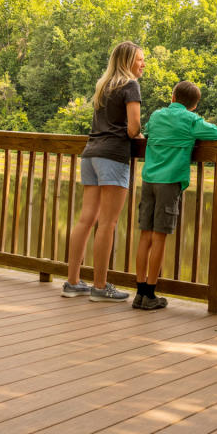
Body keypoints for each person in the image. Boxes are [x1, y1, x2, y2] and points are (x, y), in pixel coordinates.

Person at [62, 41, 144, 302]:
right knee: (107, 223)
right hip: (112, 156)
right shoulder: (130, 85)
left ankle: (73, 282)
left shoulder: (104, 85)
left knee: (86, 219)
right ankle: (100, 286)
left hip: (91, 154)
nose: (143, 65)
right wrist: (139, 135)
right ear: (128, 61)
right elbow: (133, 127)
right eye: (140, 60)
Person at [131, 80, 217, 310]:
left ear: (172, 97)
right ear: (194, 105)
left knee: (145, 235)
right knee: (159, 236)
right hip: (169, 182)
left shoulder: (157, 116)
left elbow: (148, 131)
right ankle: (150, 293)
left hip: (149, 178)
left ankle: (139, 291)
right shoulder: (191, 120)